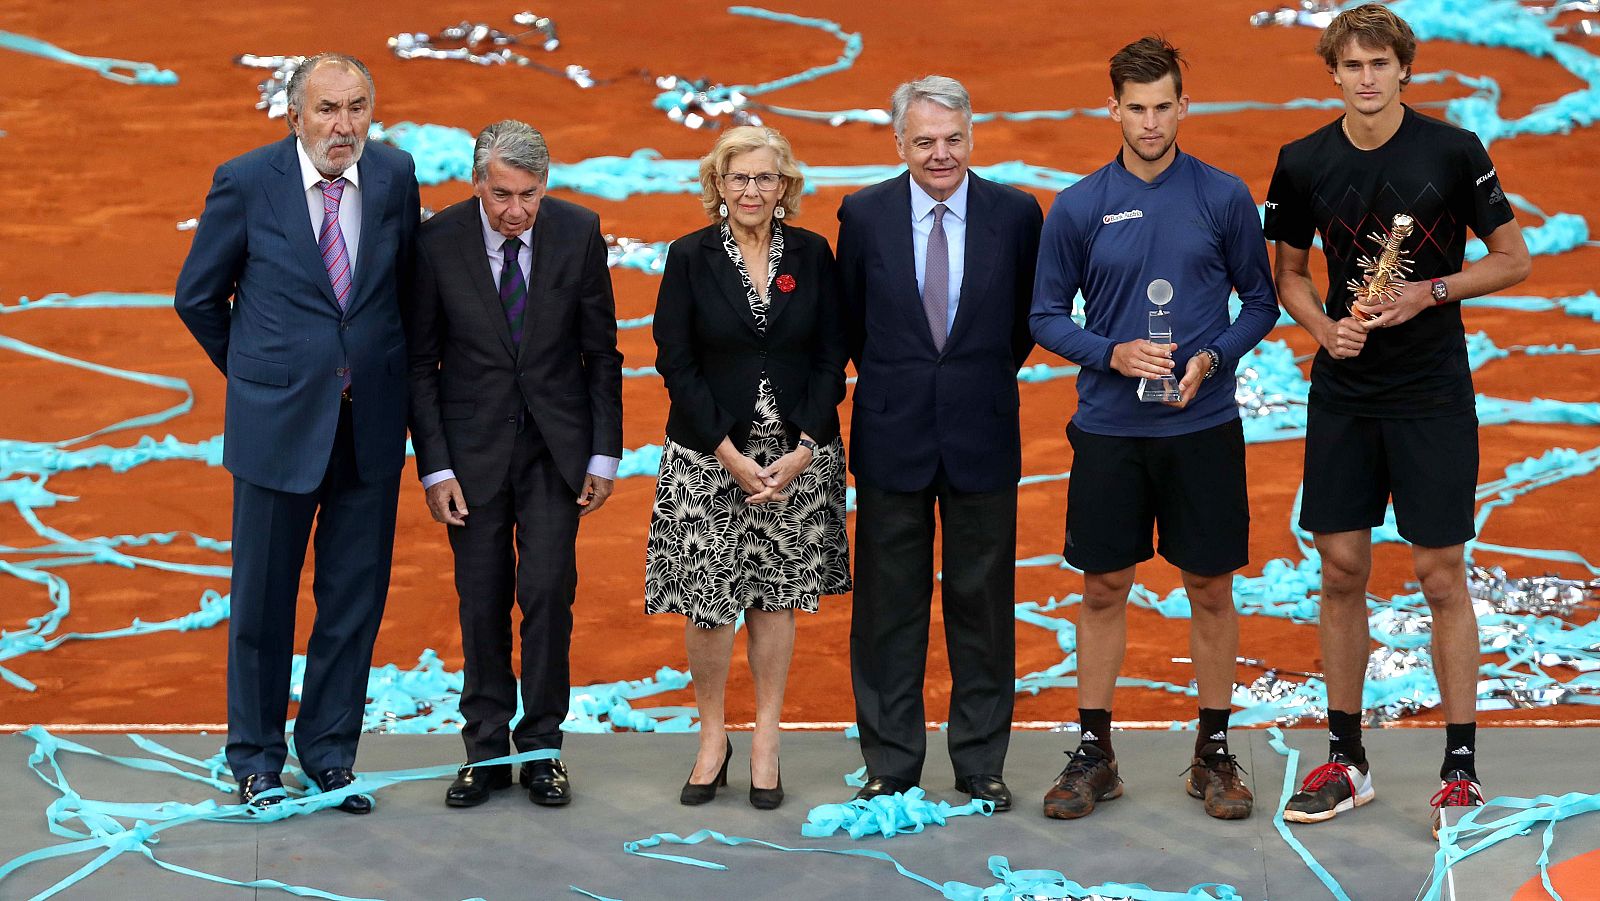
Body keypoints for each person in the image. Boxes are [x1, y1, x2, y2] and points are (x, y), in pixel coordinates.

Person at [1263, 3, 1530, 835]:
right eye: (1353, 64)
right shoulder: (1301, 161)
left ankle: (1460, 768)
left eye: (1382, 63)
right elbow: (1290, 274)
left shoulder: (1452, 151)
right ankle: (1346, 759)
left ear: (1403, 69)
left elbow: (1513, 259)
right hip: (1345, 391)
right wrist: (1319, 327)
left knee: (1441, 574)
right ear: (1334, 72)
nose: (1368, 77)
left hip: (1431, 391)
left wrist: (1431, 290)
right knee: (1340, 568)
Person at [1030, 37, 1279, 822]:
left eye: (1162, 105)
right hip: (1108, 429)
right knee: (1104, 585)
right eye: (1134, 108)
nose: (1148, 121)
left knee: (1209, 585)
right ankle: (1095, 751)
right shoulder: (1078, 205)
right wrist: (1112, 352)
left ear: (1183, 106)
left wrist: (1210, 356)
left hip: (1203, 426)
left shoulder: (1223, 195)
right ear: (1113, 109)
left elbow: (1261, 302)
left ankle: (1212, 752)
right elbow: (1042, 315)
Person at [175, 53, 420, 812]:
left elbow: (405, 292)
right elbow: (198, 297)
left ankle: (328, 755)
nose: (343, 126)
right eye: (327, 110)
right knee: (262, 603)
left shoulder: (395, 176)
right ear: (294, 115)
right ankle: (253, 758)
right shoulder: (247, 182)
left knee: (353, 601)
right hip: (277, 428)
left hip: (369, 424)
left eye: (356, 108)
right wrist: (260, 377)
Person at [837, 75, 1042, 812]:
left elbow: (1021, 324)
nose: (940, 154)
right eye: (924, 141)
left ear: (971, 137)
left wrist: (966, 380)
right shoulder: (862, 214)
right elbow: (852, 322)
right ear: (899, 143)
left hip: (981, 431)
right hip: (893, 433)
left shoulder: (1017, 214)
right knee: (889, 607)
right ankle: (891, 761)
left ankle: (980, 761)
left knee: (982, 604)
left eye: (952, 139)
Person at [406, 120, 623, 809]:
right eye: (501, 194)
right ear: (477, 182)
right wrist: (435, 467)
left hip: (556, 452)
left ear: (546, 185)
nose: (516, 211)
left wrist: (603, 451)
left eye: (530, 194)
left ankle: (541, 750)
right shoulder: (437, 241)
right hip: (470, 457)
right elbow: (421, 363)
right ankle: (484, 752)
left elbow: (602, 353)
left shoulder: (578, 231)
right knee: (481, 601)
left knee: (548, 593)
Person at [646, 125, 851, 811]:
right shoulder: (688, 256)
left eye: (765, 178)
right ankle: (713, 738)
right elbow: (674, 360)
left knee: (775, 598)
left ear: (785, 185)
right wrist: (728, 453)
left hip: (795, 462)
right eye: (738, 178)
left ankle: (766, 737)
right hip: (711, 460)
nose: (752, 190)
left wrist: (805, 447)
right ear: (718, 185)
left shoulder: (815, 255)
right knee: (709, 607)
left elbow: (832, 358)